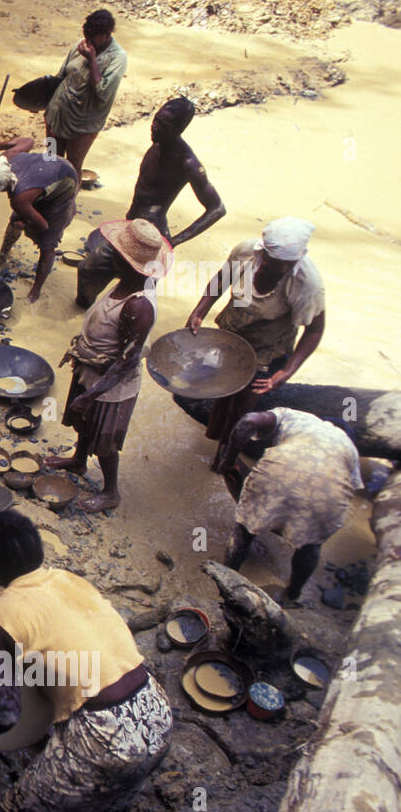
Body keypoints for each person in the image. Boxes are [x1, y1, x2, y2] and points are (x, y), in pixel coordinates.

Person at [0, 511, 172, 812]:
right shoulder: (70, 580)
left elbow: (6, 713)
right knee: (108, 787)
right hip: (157, 713)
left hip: (106, 740)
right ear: (39, 550)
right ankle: (104, 799)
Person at [46, 219, 172, 512]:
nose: (109, 254)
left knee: (105, 442)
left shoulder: (137, 305)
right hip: (91, 369)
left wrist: (90, 396)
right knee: (83, 423)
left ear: (128, 264)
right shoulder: (124, 284)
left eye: (115, 252)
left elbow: (126, 364)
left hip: (111, 384)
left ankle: (111, 491)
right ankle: (78, 461)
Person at [185, 216, 326, 470]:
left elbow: (314, 331)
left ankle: (225, 460)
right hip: (233, 332)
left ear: (296, 260)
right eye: (272, 262)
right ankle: (214, 435)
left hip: (266, 350)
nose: (277, 269)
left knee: (243, 409)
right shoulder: (246, 252)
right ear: (263, 251)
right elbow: (220, 280)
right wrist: (199, 311)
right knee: (222, 391)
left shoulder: (307, 284)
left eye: (285, 265)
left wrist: (286, 371)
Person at [76, 97, 225, 308]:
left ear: (178, 129)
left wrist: (175, 241)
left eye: (163, 125)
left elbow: (218, 208)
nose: (154, 127)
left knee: (136, 302)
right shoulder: (158, 142)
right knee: (87, 271)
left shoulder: (188, 163)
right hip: (129, 228)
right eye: (156, 120)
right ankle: (87, 313)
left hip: (152, 238)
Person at [217, 409, 362, 604]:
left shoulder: (297, 418)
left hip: (279, 474)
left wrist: (229, 461)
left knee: (244, 531)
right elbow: (349, 488)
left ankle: (226, 577)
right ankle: (293, 595)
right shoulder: (350, 449)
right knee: (310, 547)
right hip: (327, 494)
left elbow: (248, 421)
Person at [0, 135, 79, 303]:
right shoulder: (6, 157)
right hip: (49, 169)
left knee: (47, 243)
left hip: (63, 181)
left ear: (1, 188)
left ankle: (36, 289)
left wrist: (25, 223)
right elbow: (28, 141)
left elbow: (43, 225)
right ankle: (1, 256)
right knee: (15, 220)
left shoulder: (19, 199)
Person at [44, 9, 127, 177]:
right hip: (54, 116)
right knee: (50, 159)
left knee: (72, 167)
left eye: (92, 38)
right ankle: (46, 197)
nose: (87, 41)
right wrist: (38, 98)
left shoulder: (118, 57)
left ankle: (67, 202)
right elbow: (60, 77)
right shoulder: (80, 45)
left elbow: (103, 93)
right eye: (86, 36)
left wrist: (91, 60)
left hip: (82, 126)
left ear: (106, 35)